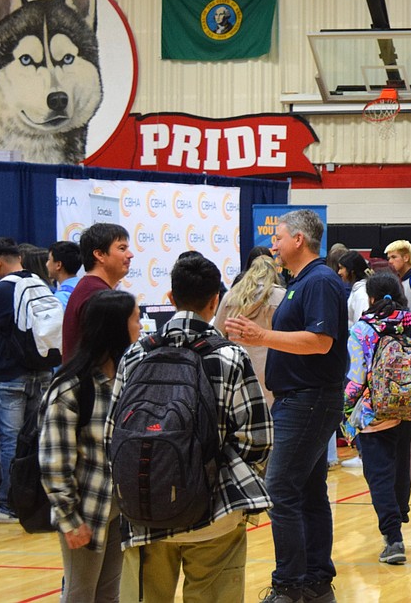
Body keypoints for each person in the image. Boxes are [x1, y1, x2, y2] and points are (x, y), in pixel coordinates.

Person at [109, 254, 273, 602]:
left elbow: (112, 432)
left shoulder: (136, 354)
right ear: (216, 301)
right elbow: (257, 437)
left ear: (170, 297)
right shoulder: (230, 356)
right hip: (215, 515)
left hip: (146, 510)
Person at [224, 209, 347, 603]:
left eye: (278, 237)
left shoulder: (321, 281)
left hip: (309, 399)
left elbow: (321, 342)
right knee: (308, 491)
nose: (273, 244)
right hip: (299, 398)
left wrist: (262, 335)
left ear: (299, 240)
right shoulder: (300, 283)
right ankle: (314, 581)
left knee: (280, 489)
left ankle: (290, 585)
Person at [39, 290, 140, 602]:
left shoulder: (127, 377)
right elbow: (55, 461)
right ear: (115, 328)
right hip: (85, 509)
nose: (140, 326)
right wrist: (69, 518)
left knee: (109, 594)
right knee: (81, 594)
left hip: (119, 507)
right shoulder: (70, 387)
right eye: (135, 319)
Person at [344, 272, 411, 566]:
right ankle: (399, 510)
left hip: (375, 411)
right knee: (401, 466)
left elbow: (356, 379)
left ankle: (393, 535)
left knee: (378, 472)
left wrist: (344, 410)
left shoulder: (362, 331)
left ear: (370, 298)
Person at [0, 238, 51, 522]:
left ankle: (8, 504)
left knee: (11, 443)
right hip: (43, 373)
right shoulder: (41, 285)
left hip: (10, 376)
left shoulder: (1, 290)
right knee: (35, 441)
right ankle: (34, 500)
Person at [213, 255, 286, 405]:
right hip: (271, 367)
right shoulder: (281, 296)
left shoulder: (230, 296)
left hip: (236, 365)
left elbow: (217, 335)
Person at [63, 223, 132, 362]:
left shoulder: (90, 287)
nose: (130, 255)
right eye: (122, 248)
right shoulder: (96, 294)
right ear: (99, 254)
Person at [338, 251, 372, 326]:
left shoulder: (362, 294)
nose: (339, 272)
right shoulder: (357, 289)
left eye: (341, 268)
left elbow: (361, 326)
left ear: (351, 271)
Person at [47, 241, 82, 308]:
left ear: (58, 265)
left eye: (49, 259)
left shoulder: (60, 299)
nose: (46, 264)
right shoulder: (85, 286)